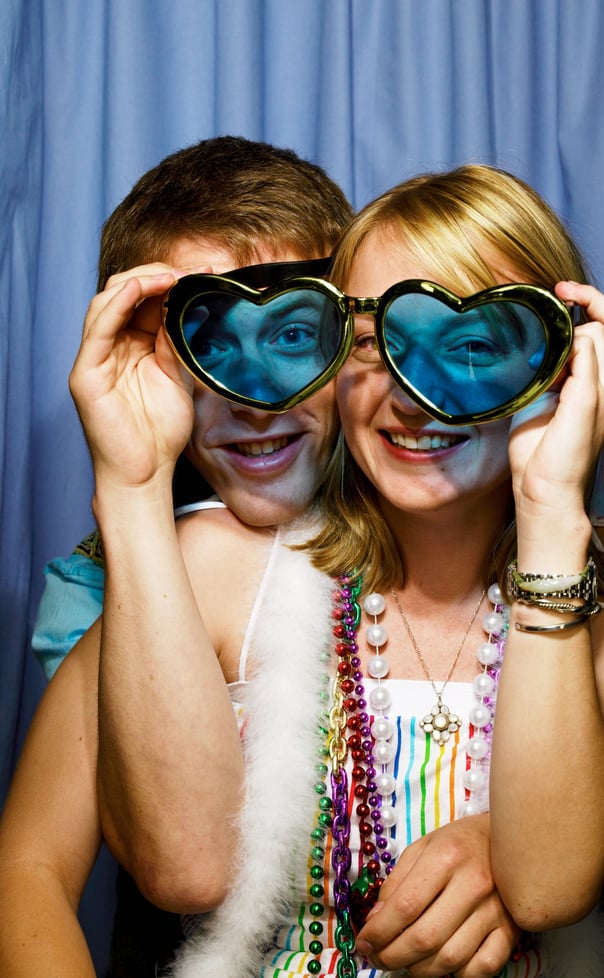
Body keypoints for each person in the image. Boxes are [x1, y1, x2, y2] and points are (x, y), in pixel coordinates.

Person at [85, 164, 604, 977]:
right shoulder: (222, 562)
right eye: (379, 345)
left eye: (475, 345)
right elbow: (182, 871)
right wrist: (132, 487)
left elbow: (552, 886)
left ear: (556, 364)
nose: (414, 397)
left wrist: (552, 508)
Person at [0, 133, 354, 977]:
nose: (255, 400)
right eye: (207, 342)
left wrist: (501, 846)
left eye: (294, 334)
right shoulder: (108, 580)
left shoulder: (439, 522)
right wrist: (131, 488)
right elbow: (34, 868)